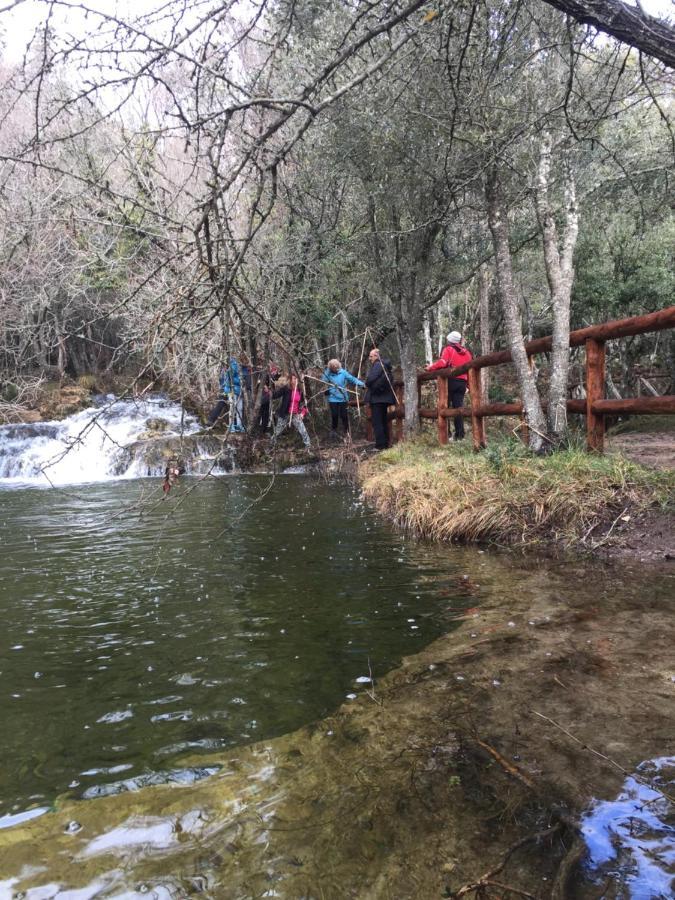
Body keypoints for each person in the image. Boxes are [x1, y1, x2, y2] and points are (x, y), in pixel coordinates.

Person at [426, 331, 472, 440]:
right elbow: (471, 369)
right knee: (458, 408)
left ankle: (447, 434)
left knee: (444, 406)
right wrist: (468, 385)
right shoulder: (467, 353)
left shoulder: (448, 349)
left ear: (450, 340)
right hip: (462, 383)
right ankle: (460, 435)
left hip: (450, 381)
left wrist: (430, 368)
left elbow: (443, 362)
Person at [322, 359, 365, 439]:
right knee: (334, 415)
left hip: (343, 398)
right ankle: (334, 430)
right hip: (332, 398)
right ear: (331, 368)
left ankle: (347, 432)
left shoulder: (343, 372)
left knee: (344, 416)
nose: (335, 370)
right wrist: (327, 371)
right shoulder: (328, 373)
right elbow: (323, 380)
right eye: (333, 368)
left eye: (336, 368)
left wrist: (361, 384)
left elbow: (352, 379)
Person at [364, 348, 396, 450]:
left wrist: (367, 382)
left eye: (371, 356)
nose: (370, 358)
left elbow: (370, 379)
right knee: (382, 421)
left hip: (378, 398)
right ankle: (385, 444)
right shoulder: (385, 366)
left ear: (376, 356)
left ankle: (380, 445)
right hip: (384, 398)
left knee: (377, 422)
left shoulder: (378, 365)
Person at [207, 356, 250, 431]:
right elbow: (228, 378)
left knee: (239, 408)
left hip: (238, 390)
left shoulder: (244, 368)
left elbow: (245, 379)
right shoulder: (234, 366)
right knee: (229, 407)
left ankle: (238, 425)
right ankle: (230, 425)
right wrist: (230, 387)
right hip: (230, 390)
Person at [271, 374, 311, 448]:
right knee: (277, 431)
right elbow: (275, 395)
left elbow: (304, 404)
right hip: (285, 414)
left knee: (303, 430)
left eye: (296, 379)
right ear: (290, 380)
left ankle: (308, 446)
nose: (295, 380)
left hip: (295, 414)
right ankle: (271, 445)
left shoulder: (300, 390)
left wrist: (302, 413)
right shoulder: (286, 389)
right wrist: (269, 391)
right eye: (294, 379)